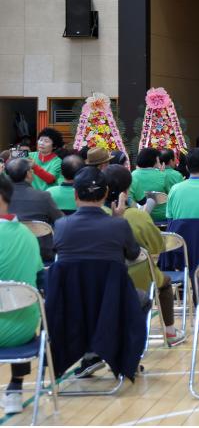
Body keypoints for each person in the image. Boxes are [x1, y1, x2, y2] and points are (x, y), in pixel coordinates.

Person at [52, 166, 143, 377]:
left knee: (88, 302)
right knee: (142, 300)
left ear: (75, 195)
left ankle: (90, 355)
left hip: (71, 307)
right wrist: (119, 220)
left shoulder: (61, 225)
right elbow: (133, 254)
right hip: (113, 303)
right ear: (105, 194)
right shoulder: (118, 225)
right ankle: (127, 359)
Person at [103, 165, 182, 345]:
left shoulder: (95, 215)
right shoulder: (138, 216)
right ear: (128, 189)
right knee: (165, 283)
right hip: (138, 279)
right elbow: (158, 246)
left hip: (100, 279)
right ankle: (169, 331)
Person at [0, 174, 45, 415]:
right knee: (22, 301)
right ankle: (15, 389)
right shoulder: (28, 236)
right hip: (23, 332)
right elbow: (37, 279)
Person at [5, 158, 63, 226]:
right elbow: (60, 219)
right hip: (38, 236)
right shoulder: (43, 196)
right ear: (28, 174)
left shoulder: (3, 196)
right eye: (31, 170)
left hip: (9, 235)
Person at [131, 148, 172, 223]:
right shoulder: (163, 176)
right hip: (161, 216)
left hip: (141, 215)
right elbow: (169, 195)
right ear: (156, 160)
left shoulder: (133, 175)